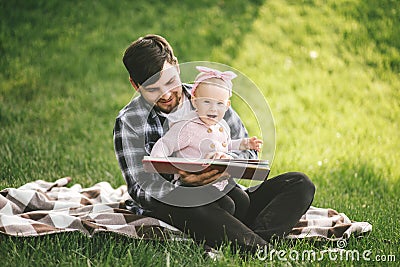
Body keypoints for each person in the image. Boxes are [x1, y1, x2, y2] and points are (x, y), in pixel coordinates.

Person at [113, 34, 315, 253]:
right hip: (182, 205)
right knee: (187, 203)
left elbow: (249, 156)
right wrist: (188, 183)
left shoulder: (210, 97)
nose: (166, 94)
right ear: (135, 85)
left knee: (299, 184)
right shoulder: (130, 121)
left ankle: (242, 234)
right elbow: (140, 189)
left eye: (170, 81)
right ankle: (258, 248)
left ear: (177, 67)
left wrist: (224, 167)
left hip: (229, 196)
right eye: (153, 89)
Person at [150, 66, 263, 220]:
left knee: (243, 200)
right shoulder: (187, 127)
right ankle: (220, 232)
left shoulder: (221, 126)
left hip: (218, 181)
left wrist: (244, 144)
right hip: (193, 183)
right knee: (226, 205)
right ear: (194, 102)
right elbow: (166, 144)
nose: (213, 109)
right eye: (207, 102)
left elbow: (226, 144)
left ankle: (238, 227)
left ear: (227, 106)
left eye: (219, 104)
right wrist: (158, 160)